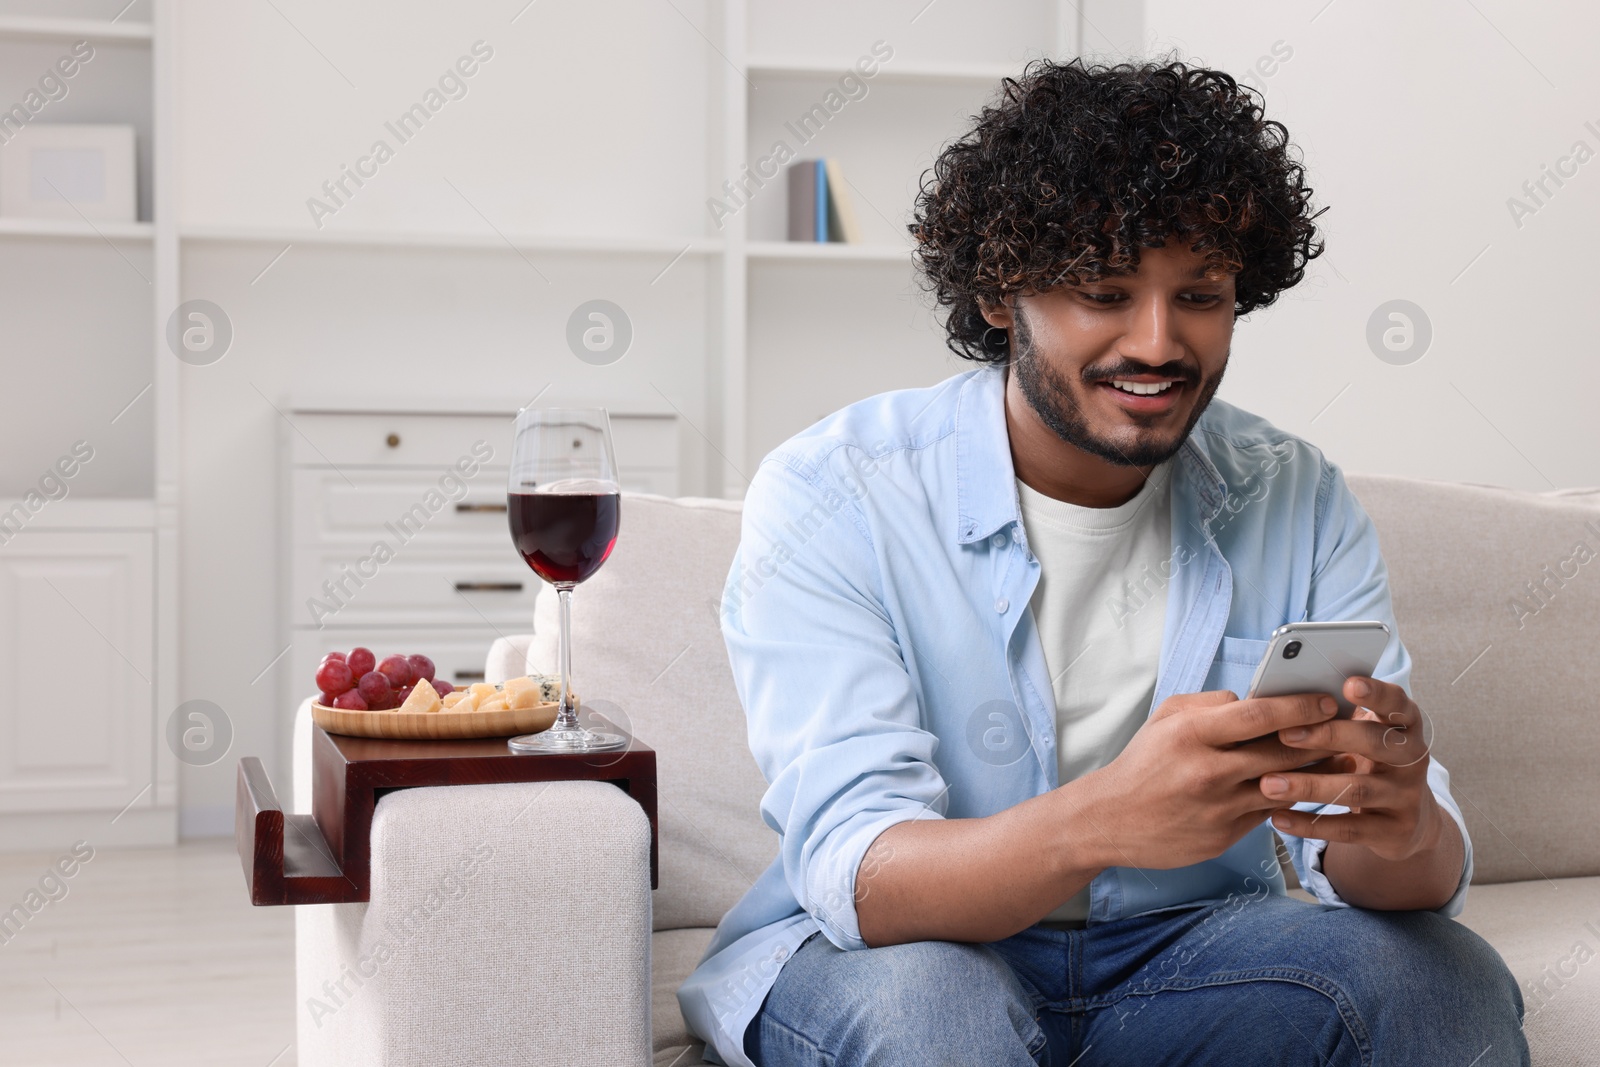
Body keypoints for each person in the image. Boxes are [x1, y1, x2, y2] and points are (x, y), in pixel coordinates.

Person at [679, 56, 1527, 1066]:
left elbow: (1389, 875)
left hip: (1184, 955)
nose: (1158, 342)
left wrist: (1398, 823)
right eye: (1103, 292)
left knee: (1441, 978)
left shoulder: (1291, 494)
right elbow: (860, 874)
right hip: (904, 954)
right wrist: (1103, 818)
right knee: (933, 1010)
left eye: (1200, 294)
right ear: (1002, 297)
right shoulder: (837, 491)